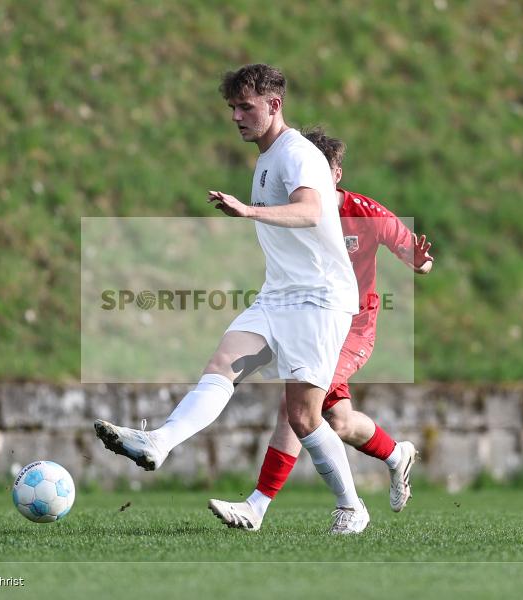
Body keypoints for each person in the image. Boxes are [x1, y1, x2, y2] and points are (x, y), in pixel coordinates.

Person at [94, 64, 370, 533]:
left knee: (304, 418)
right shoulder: (267, 156)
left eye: (246, 106)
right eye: (232, 108)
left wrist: (249, 210)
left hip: (319, 301)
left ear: (275, 104)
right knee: (222, 364)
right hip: (278, 295)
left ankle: (351, 507)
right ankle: (158, 442)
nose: (237, 116)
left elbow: (311, 211)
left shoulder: (298, 154)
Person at [208, 127, 434, 531]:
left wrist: (420, 261)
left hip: (353, 327)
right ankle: (397, 455)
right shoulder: (290, 209)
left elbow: (417, 258)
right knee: (341, 422)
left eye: (318, 172)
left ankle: (258, 506)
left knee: (295, 406)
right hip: (309, 319)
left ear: (336, 175)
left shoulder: (365, 212)